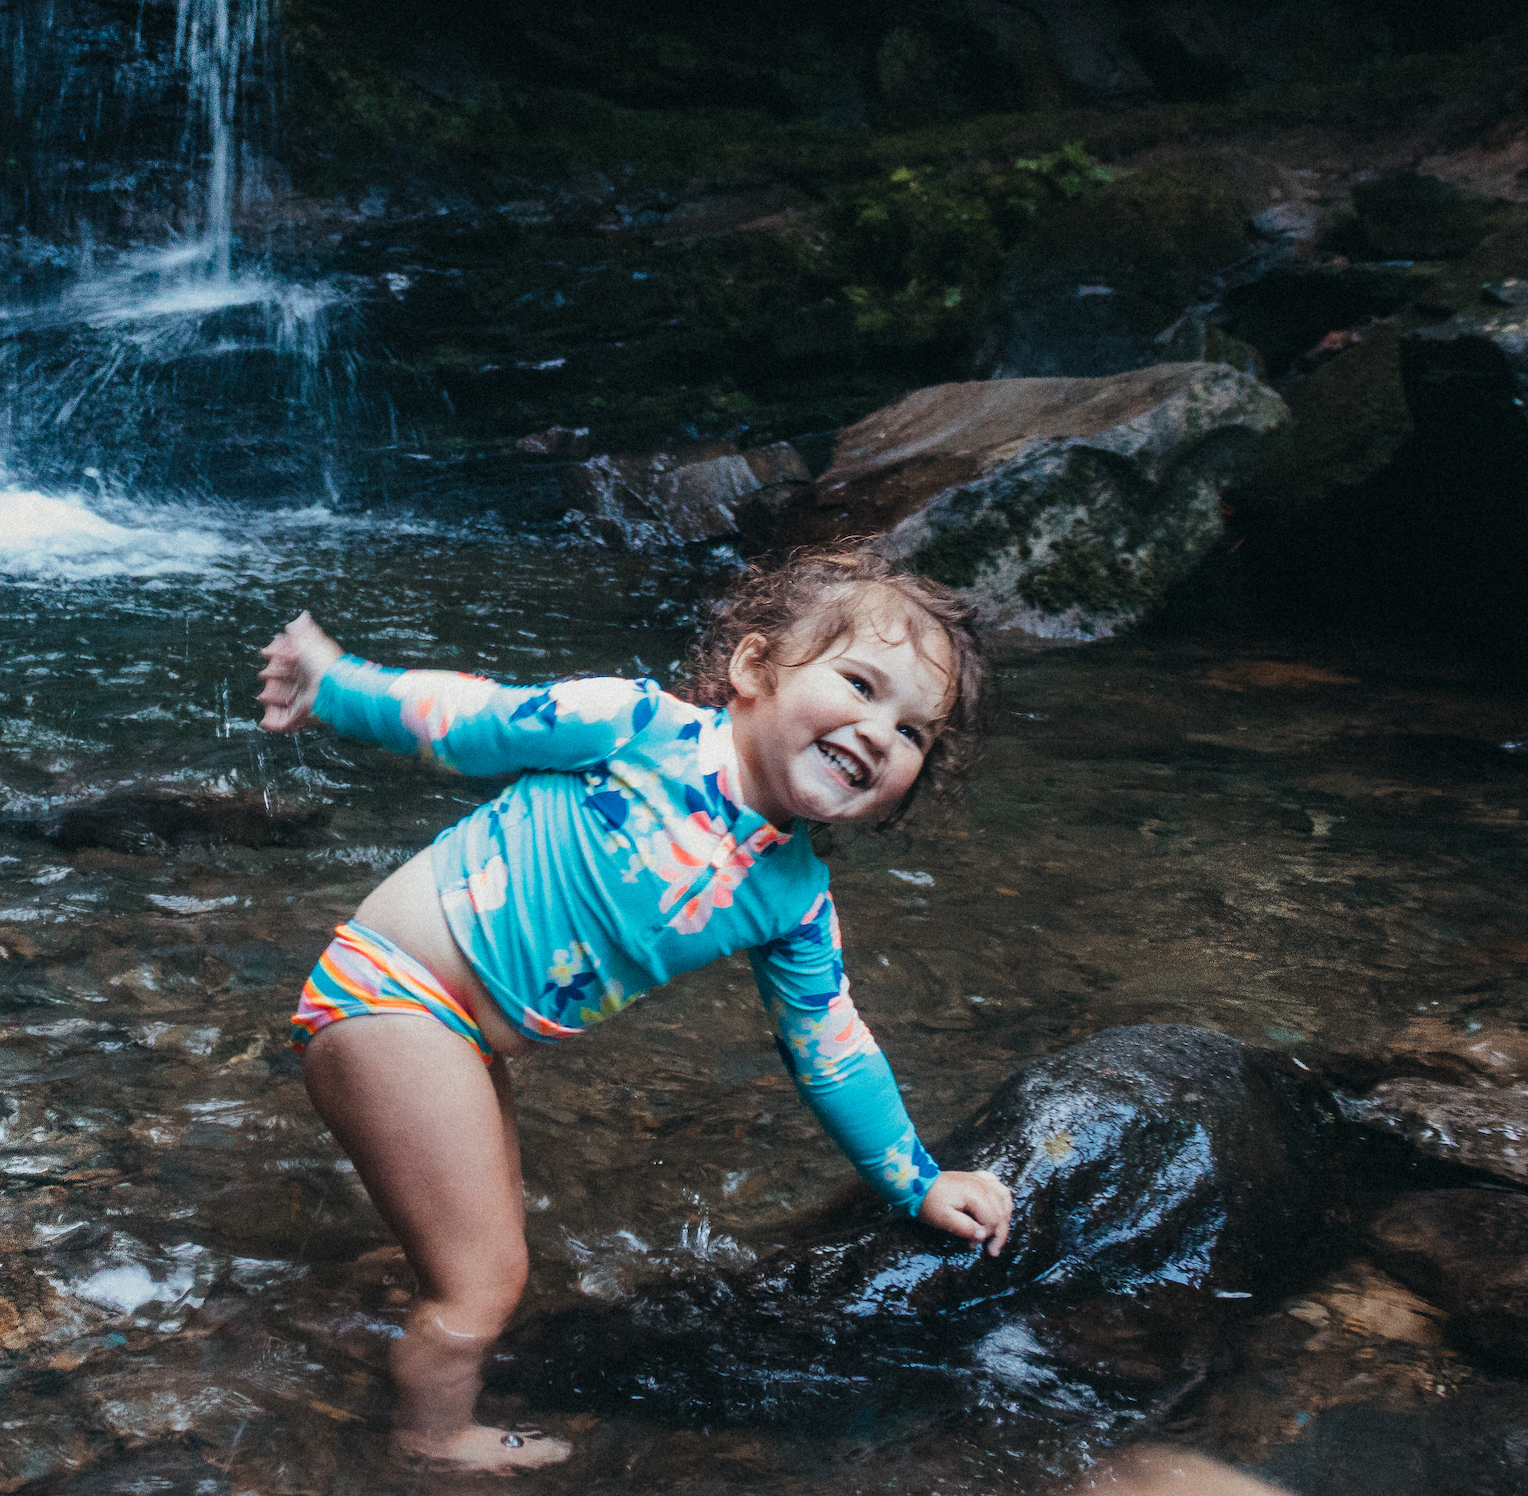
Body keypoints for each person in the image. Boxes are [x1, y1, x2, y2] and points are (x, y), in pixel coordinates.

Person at [256, 545, 1016, 1471]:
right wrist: (334, 686)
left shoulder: (795, 899)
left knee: (479, 1243)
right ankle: (431, 1444)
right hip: (395, 997)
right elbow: (472, 722)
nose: (877, 732)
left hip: (453, 1036)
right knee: (489, 1284)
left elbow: (833, 1051)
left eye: (912, 734)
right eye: (859, 684)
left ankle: (368, 1324)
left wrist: (918, 1182)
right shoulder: (637, 727)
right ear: (751, 670)